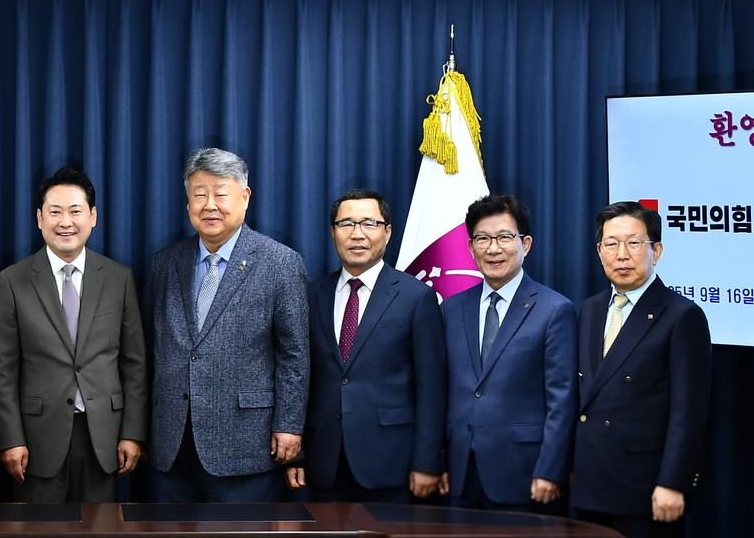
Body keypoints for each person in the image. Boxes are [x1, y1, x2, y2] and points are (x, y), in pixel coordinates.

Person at [146, 148, 309, 502]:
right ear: (187, 202)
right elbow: (149, 348)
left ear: (245, 197)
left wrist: (289, 425)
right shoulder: (164, 263)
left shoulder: (280, 263)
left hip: (245, 444)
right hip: (171, 446)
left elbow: (294, 356)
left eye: (221, 193)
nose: (210, 205)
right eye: (199, 194)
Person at [0, 166, 148, 502]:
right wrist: (11, 439)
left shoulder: (118, 278)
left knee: (101, 525)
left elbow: (134, 363)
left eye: (75, 211)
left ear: (93, 216)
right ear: (39, 218)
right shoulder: (12, 281)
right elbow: (2, 370)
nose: (65, 222)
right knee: (40, 526)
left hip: (104, 435)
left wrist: (132, 433)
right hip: (36, 438)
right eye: (55, 212)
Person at [287, 189, 446, 503]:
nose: (357, 234)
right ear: (333, 232)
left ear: (387, 232)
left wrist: (427, 462)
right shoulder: (312, 294)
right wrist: (297, 453)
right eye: (346, 224)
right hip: (324, 463)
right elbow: (299, 377)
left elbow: (432, 388)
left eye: (369, 224)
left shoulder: (416, 297)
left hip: (392, 463)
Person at [570, 201, 711, 538]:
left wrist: (673, 483)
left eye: (634, 243)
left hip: (644, 490)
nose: (622, 255)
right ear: (599, 251)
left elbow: (688, 413)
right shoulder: (589, 309)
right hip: (587, 485)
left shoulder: (681, 315)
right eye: (611, 244)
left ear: (656, 251)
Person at [438, 194, 576, 513]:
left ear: (525, 244)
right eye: (483, 239)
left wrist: (550, 469)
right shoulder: (451, 309)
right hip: (459, 473)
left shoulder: (555, 310)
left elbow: (562, 399)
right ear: (471, 247)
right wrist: (438, 460)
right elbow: (440, 391)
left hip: (525, 473)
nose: (493, 248)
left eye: (503, 237)